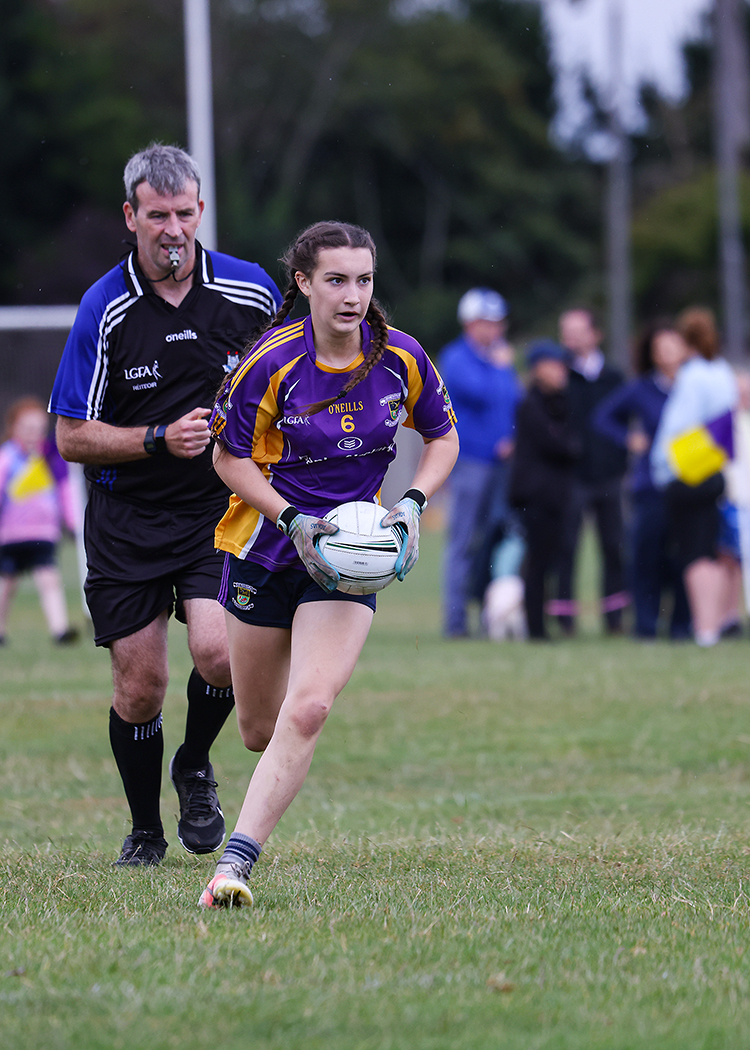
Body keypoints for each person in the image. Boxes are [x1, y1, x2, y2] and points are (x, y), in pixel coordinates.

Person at [199, 220, 459, 908]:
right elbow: (228, 457)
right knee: (259, 729)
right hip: (264, 549)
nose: (352, 295)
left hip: (348, 562)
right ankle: (199, 763)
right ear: (305, 283)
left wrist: (410, 503)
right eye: (336, 280)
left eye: (364, 280)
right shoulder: (272, 361)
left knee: (308, 708)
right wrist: (291, 517)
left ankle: (232, 867)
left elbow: (442, 436)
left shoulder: (399, 356)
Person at [49, 144, 282, 866]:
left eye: (184, 213)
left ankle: (194, 764)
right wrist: (155, 438)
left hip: (218, 511)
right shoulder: (104, 307)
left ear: (200, 212)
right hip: (126, 519)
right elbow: (69, 436)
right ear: (131, 217)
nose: (172, 228)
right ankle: (145, 830)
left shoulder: (251, 293)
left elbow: (287, 391)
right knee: (141, 684)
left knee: (219, 655)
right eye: (157, 215)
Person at [594, 321, 691, 640]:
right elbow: (603, 417)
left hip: (689, 484)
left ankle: (682, 626)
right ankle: (646, 626)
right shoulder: (642, 388)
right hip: (649, 486)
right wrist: (629, 438)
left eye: (673, 345)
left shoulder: (694, 386)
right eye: (660, 348)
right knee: (646, 557)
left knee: (684, 559)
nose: (667, 353)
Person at [651, 307, 739, 647]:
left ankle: (705, 629)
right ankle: (720, 620)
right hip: (716, 469)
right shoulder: (721, 372)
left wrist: (663, 467)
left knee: (694, 553)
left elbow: (678, 429)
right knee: (714, 549)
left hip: (690, 473)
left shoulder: (692, 376)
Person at [438, 288, 523, 637]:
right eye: (485, 323)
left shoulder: (496, 360)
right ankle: (456, 621)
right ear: (470, 324)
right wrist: (499, 367)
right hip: (471, 461)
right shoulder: (458, 358)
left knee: (492, 540)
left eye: (497, 323)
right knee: (462, 542)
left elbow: (514, 400)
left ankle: (491, 617)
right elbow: (486, 394)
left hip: (501, 464)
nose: (493, 330)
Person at [552, 308, 628, 635]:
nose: (571, 338)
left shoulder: (614, 377)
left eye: (578, 331)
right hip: (572, 476)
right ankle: (565, 617)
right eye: (565, 331)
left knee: (613, 546)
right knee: (567, 546)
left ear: (596, 334)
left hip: (609, 474)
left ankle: (614, 616)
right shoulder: (560, 377)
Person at [509, 340, 580, 640]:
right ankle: (535, 627)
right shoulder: (531, 404)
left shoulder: (560, 402)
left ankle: (541, 622)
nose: (561, 371)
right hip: (536, 497)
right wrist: (571, 444)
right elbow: (559, 444)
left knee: (549, 559)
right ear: (538, 369)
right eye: (554, 365)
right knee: (537, 563)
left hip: (554, 496)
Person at [0, 397, 80, 646]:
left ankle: (60, 629)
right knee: (5, 584)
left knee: (49, 580)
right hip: (10, 535)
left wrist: (73, 522)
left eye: (38, 429)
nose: (33, 434)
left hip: (43, 533)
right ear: (13, 428)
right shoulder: (7, 458)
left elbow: (66, 492)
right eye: (27, 428)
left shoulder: (52, 458)